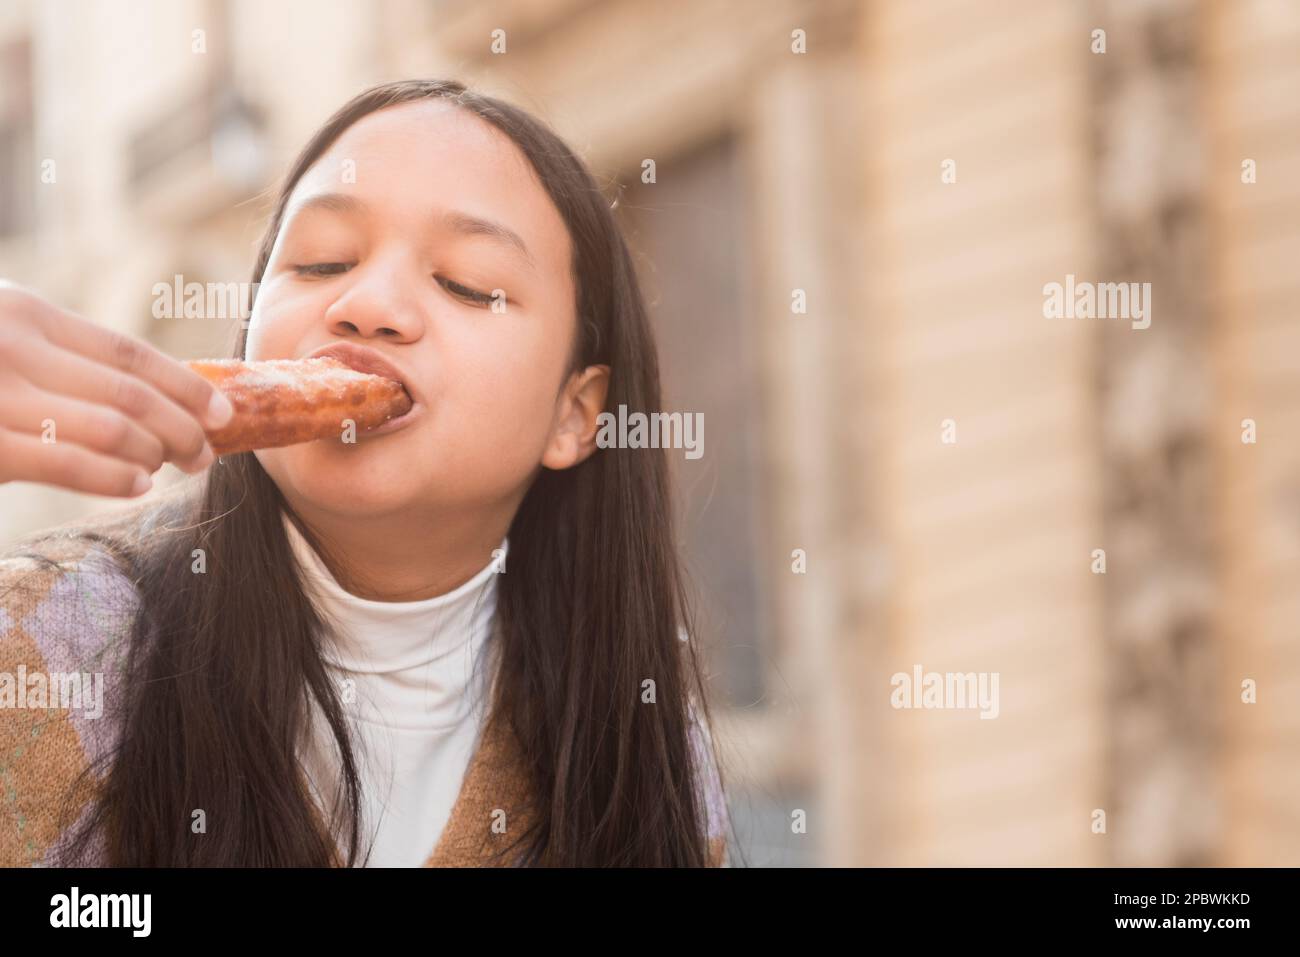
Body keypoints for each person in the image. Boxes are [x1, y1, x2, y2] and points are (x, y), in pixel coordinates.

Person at [0, 78, 730, 867]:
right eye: (321, 263)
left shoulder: (644, 741)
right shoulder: (45, 644)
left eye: (467, 284)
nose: (369, 304)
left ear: (576, 413)